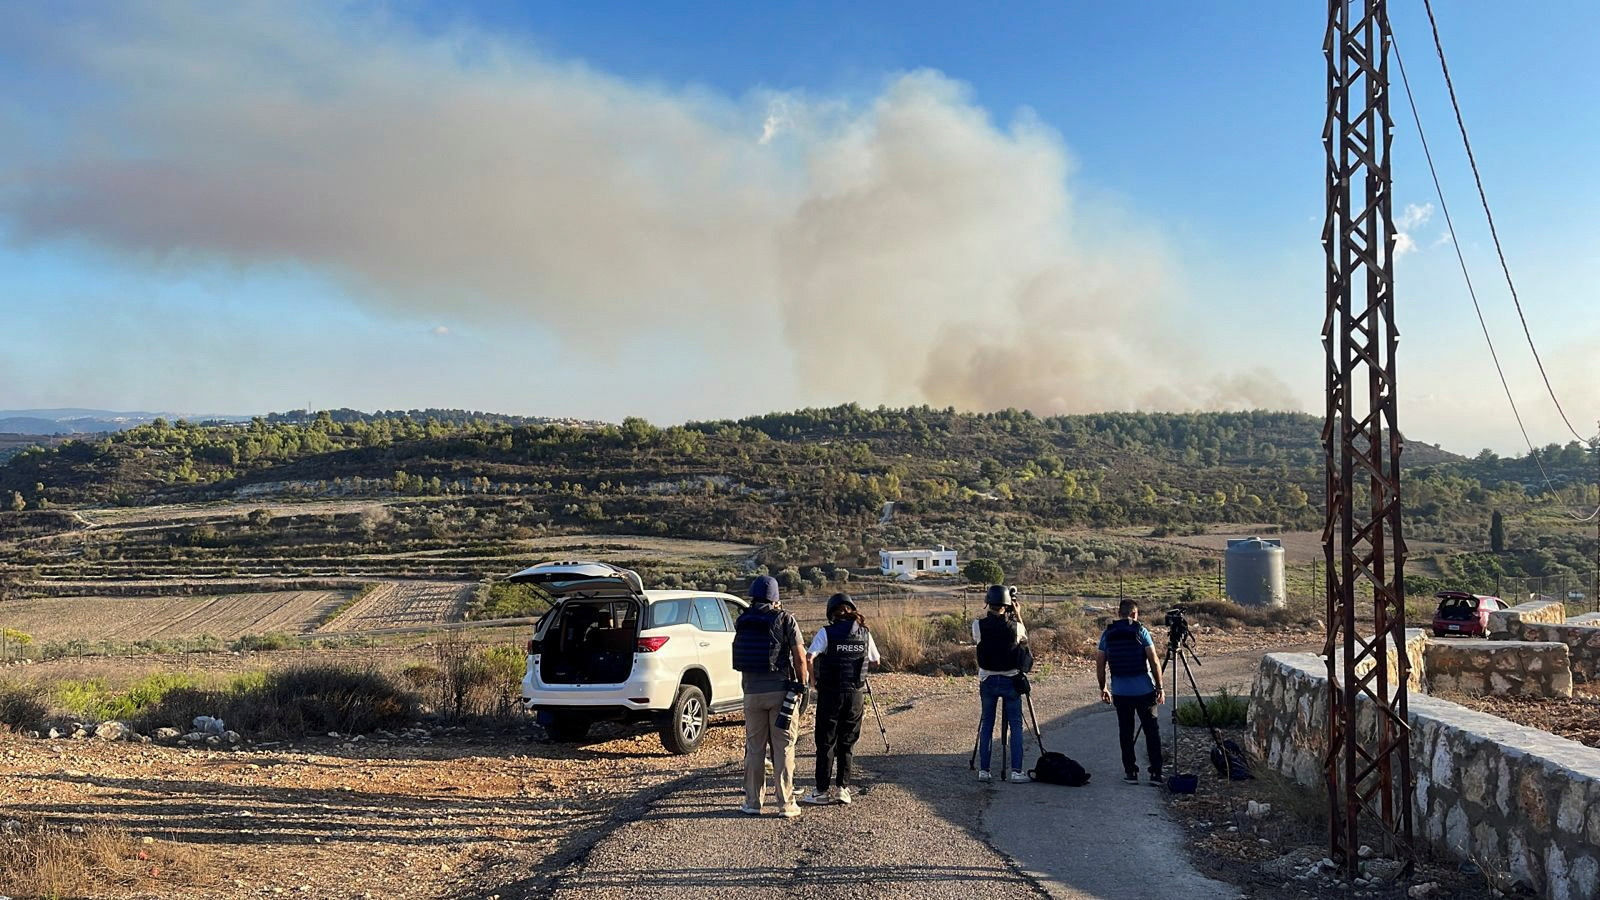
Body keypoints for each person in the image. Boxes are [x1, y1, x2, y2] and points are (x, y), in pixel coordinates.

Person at [732, 574, 809, 817]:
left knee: (755, 748)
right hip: (780, 693)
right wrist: (802, 685)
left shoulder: (743, 620)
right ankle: (786, 804)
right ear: (775, 598)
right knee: (784, 747)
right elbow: (799, 657)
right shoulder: (785, 619)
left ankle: (752, 803)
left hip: (751, 694)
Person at [800, 592, 881, 806]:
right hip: (855, 694)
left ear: (831, 613)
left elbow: (809, 656)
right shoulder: (865, 633)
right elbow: (876, 659)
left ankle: (821, 791)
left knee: (826, 743)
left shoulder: (826, 632)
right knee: (847, 743)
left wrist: (813, 681)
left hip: (830, 694)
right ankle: (843, 789)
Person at [1096, 599, 1166, 785]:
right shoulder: (1141, 631)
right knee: (1152, 732)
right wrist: (1160, 687)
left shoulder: (1108, 634)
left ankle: (1130, 772)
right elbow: (1154, 661)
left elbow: (1100, 664)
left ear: (1119, 614)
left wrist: (1103, 687)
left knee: (1126, 732)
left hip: (1121, 692)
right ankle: (1156, 773)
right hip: (1145, 691)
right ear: (1135, 614)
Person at [972, 584, 1029, 783]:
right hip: (1010, 680)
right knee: (1015, 725)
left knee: (987, 724)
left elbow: (980, 641)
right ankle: (1016, 771)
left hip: (987, 680)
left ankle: (984, 771)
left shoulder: (977, 625)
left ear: (988, 603)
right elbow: (1024, 642)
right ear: (1007, 604)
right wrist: (1018, 615)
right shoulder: (1016, 627)